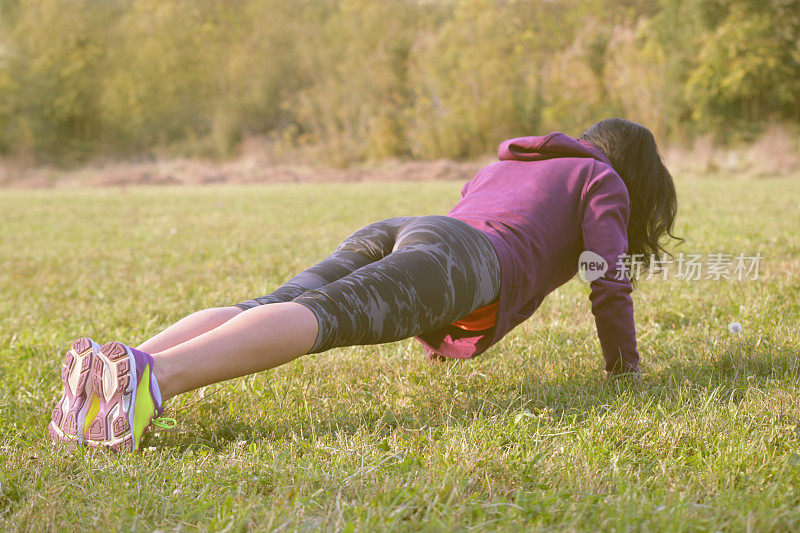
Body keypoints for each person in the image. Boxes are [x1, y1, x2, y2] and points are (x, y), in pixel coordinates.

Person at [48, 118, 679, 452]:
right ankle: (151, 381)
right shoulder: (603, 180)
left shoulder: (513, 160)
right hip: (467, 255)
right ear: (635, 170)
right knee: (323, 317)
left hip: (412, 227)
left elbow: (449, 238)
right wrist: (624, 370)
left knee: (273, 303)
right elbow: (607, 281)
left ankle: (123, 368)